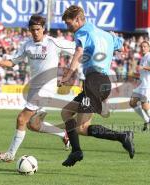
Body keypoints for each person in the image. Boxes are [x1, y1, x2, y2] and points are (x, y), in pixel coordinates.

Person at [0, 14, 75, 162]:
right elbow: (14, 61)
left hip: (46, 89)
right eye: (32, 30)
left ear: (43, 29)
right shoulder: (27, 45)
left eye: (38, 29)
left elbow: (77, 49)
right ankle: (64, 134)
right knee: (34, 125)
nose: (35, 32)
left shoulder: (53, 43)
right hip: (34, 88)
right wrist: (1, 62)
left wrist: (72, 69)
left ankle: (10, 155)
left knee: (21, 119)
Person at [59, 5, 134, 167]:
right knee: (66, 112)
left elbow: (78, 52)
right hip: (100, 81)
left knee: (82, 127)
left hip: (95, 82)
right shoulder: (106, 34)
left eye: (69, 23)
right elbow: (121, 47)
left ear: (78, 19)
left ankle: (122, 137)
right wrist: (112, 42)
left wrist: (67, 74)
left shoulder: (82, 31)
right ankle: (76, 151)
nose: (68, 27)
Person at [129, 41, 150, 133]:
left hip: (148, 85)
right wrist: (135, 76)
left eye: (145, 46)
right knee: (132, 103)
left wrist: (144, 68)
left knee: (145, 105)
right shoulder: (143, 58)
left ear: (148, 48)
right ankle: (147, 120)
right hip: (142, 84)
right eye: (142, 46)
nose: (143, 48)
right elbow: (143, 72)